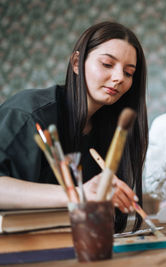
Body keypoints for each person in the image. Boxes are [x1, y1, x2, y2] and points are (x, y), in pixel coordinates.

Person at [0, 21, 148, 233]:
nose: (118, 78)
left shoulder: (109, 128)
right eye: (107, 64)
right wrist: (79, 194)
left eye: (128, 72)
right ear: (77, 62)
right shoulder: (27, 113)